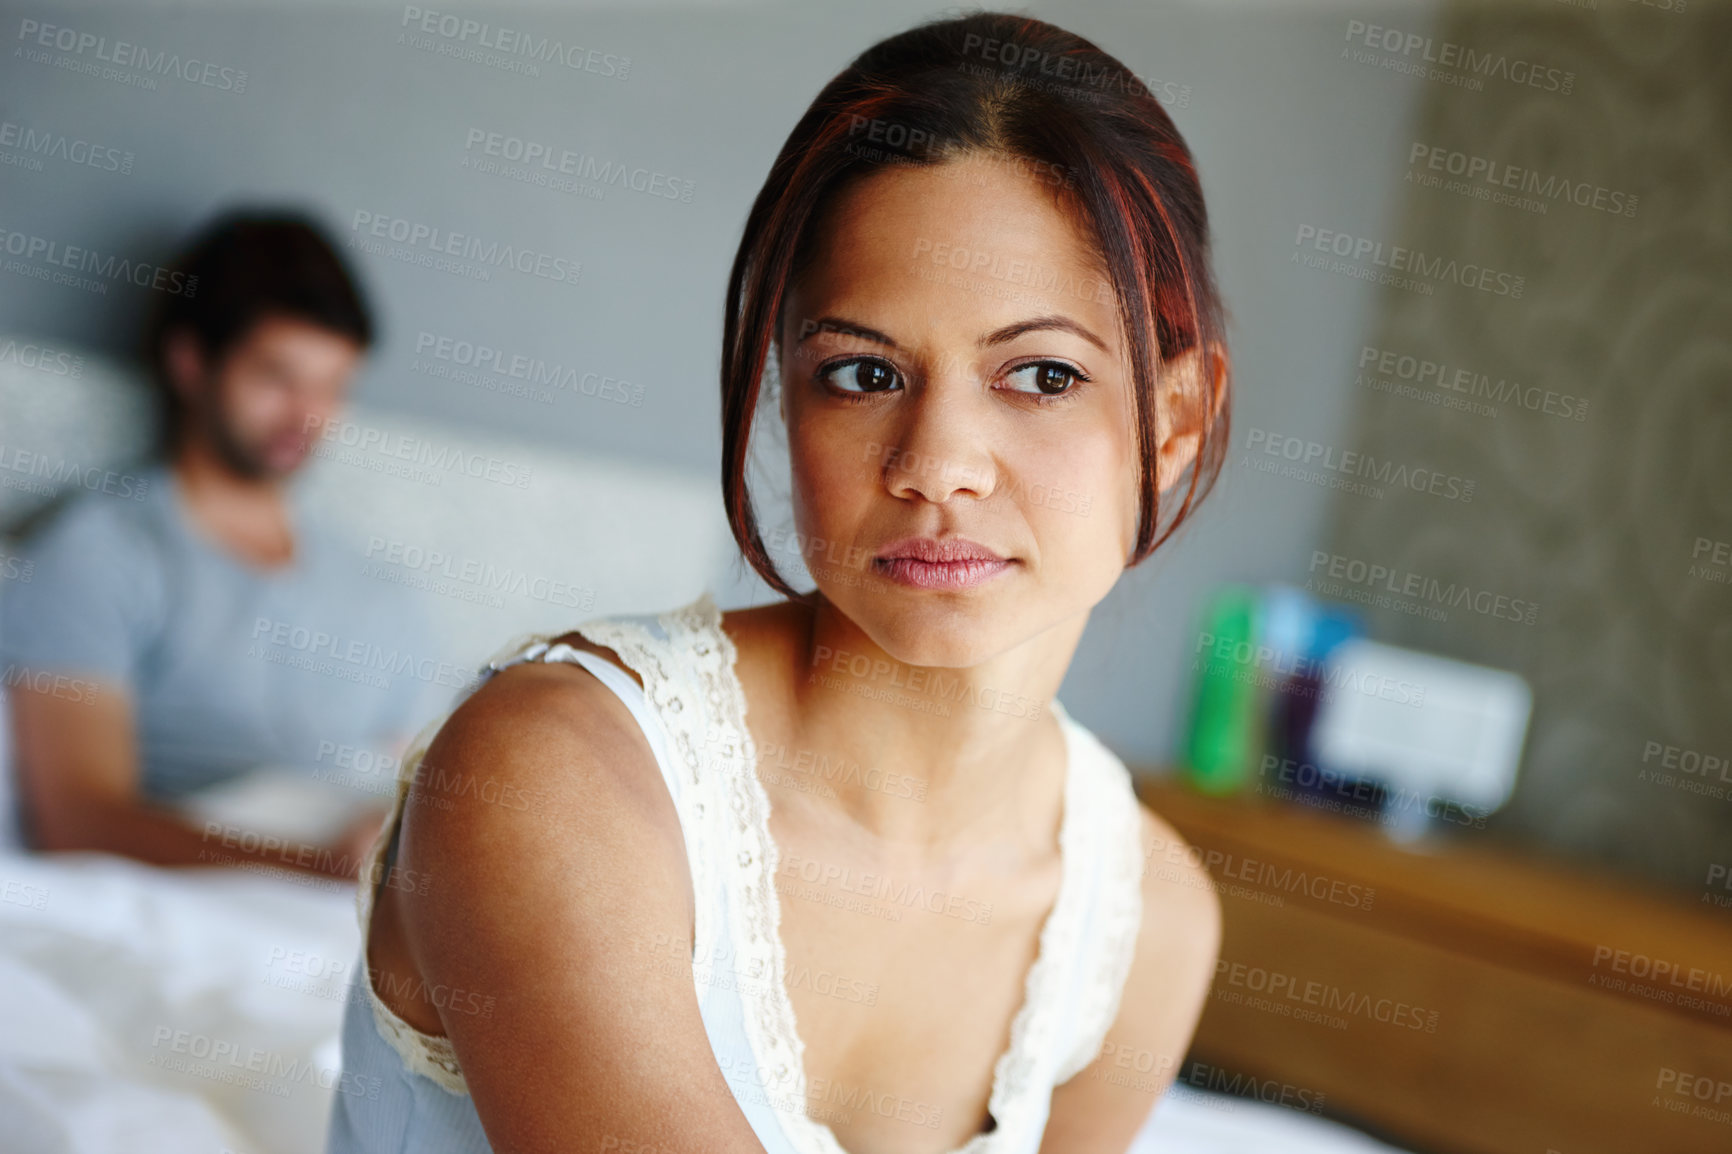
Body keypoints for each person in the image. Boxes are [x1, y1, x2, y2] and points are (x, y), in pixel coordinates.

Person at [331, 12, 1229, 1153]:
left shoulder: (1147, 919)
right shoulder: (550, 775)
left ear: (1176, 422)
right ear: (786, 399)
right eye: (862, 372)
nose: (935, 464)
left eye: (1040, 374)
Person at [0, 210, 442, 881]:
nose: (307, 415)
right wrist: (316, 868)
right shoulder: (100, 552)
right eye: (277, 377)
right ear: (190, 362)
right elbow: (76, 820)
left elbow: (410, 798)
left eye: (332, 385)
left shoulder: (383, 598)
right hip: (188, 911)